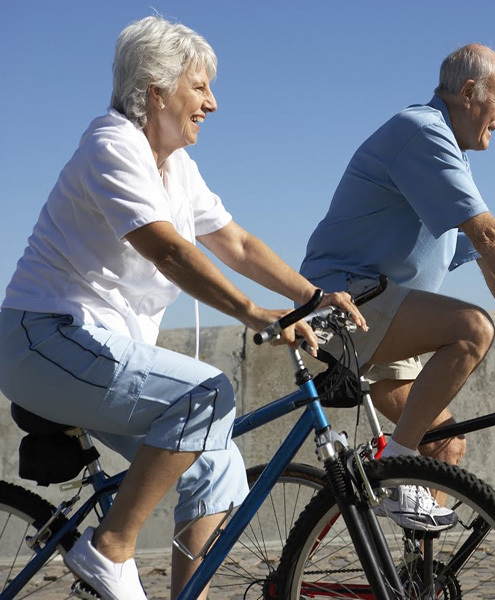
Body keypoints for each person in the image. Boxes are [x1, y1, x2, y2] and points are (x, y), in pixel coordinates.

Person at [0, 16, 363, 600]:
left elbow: (237, 243)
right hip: (44, 337)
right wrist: (256, 314)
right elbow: (167, 249)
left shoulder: (177, 168)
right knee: (206, 393)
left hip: (98, 353)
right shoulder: (111, 144)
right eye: (200, 87)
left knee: (216, 468)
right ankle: (110, 549)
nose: (212, 104)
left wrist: (309, 296)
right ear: (157, 91)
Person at [300, 43, 495, 530]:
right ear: (470, 93)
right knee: (472, 329)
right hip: (344, 305)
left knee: (445, 445)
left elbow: (482, 257)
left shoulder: (446, 152)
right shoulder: (422, 133)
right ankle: (394, 470)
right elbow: (489, 234)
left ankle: (416, 579)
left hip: (382, 313)